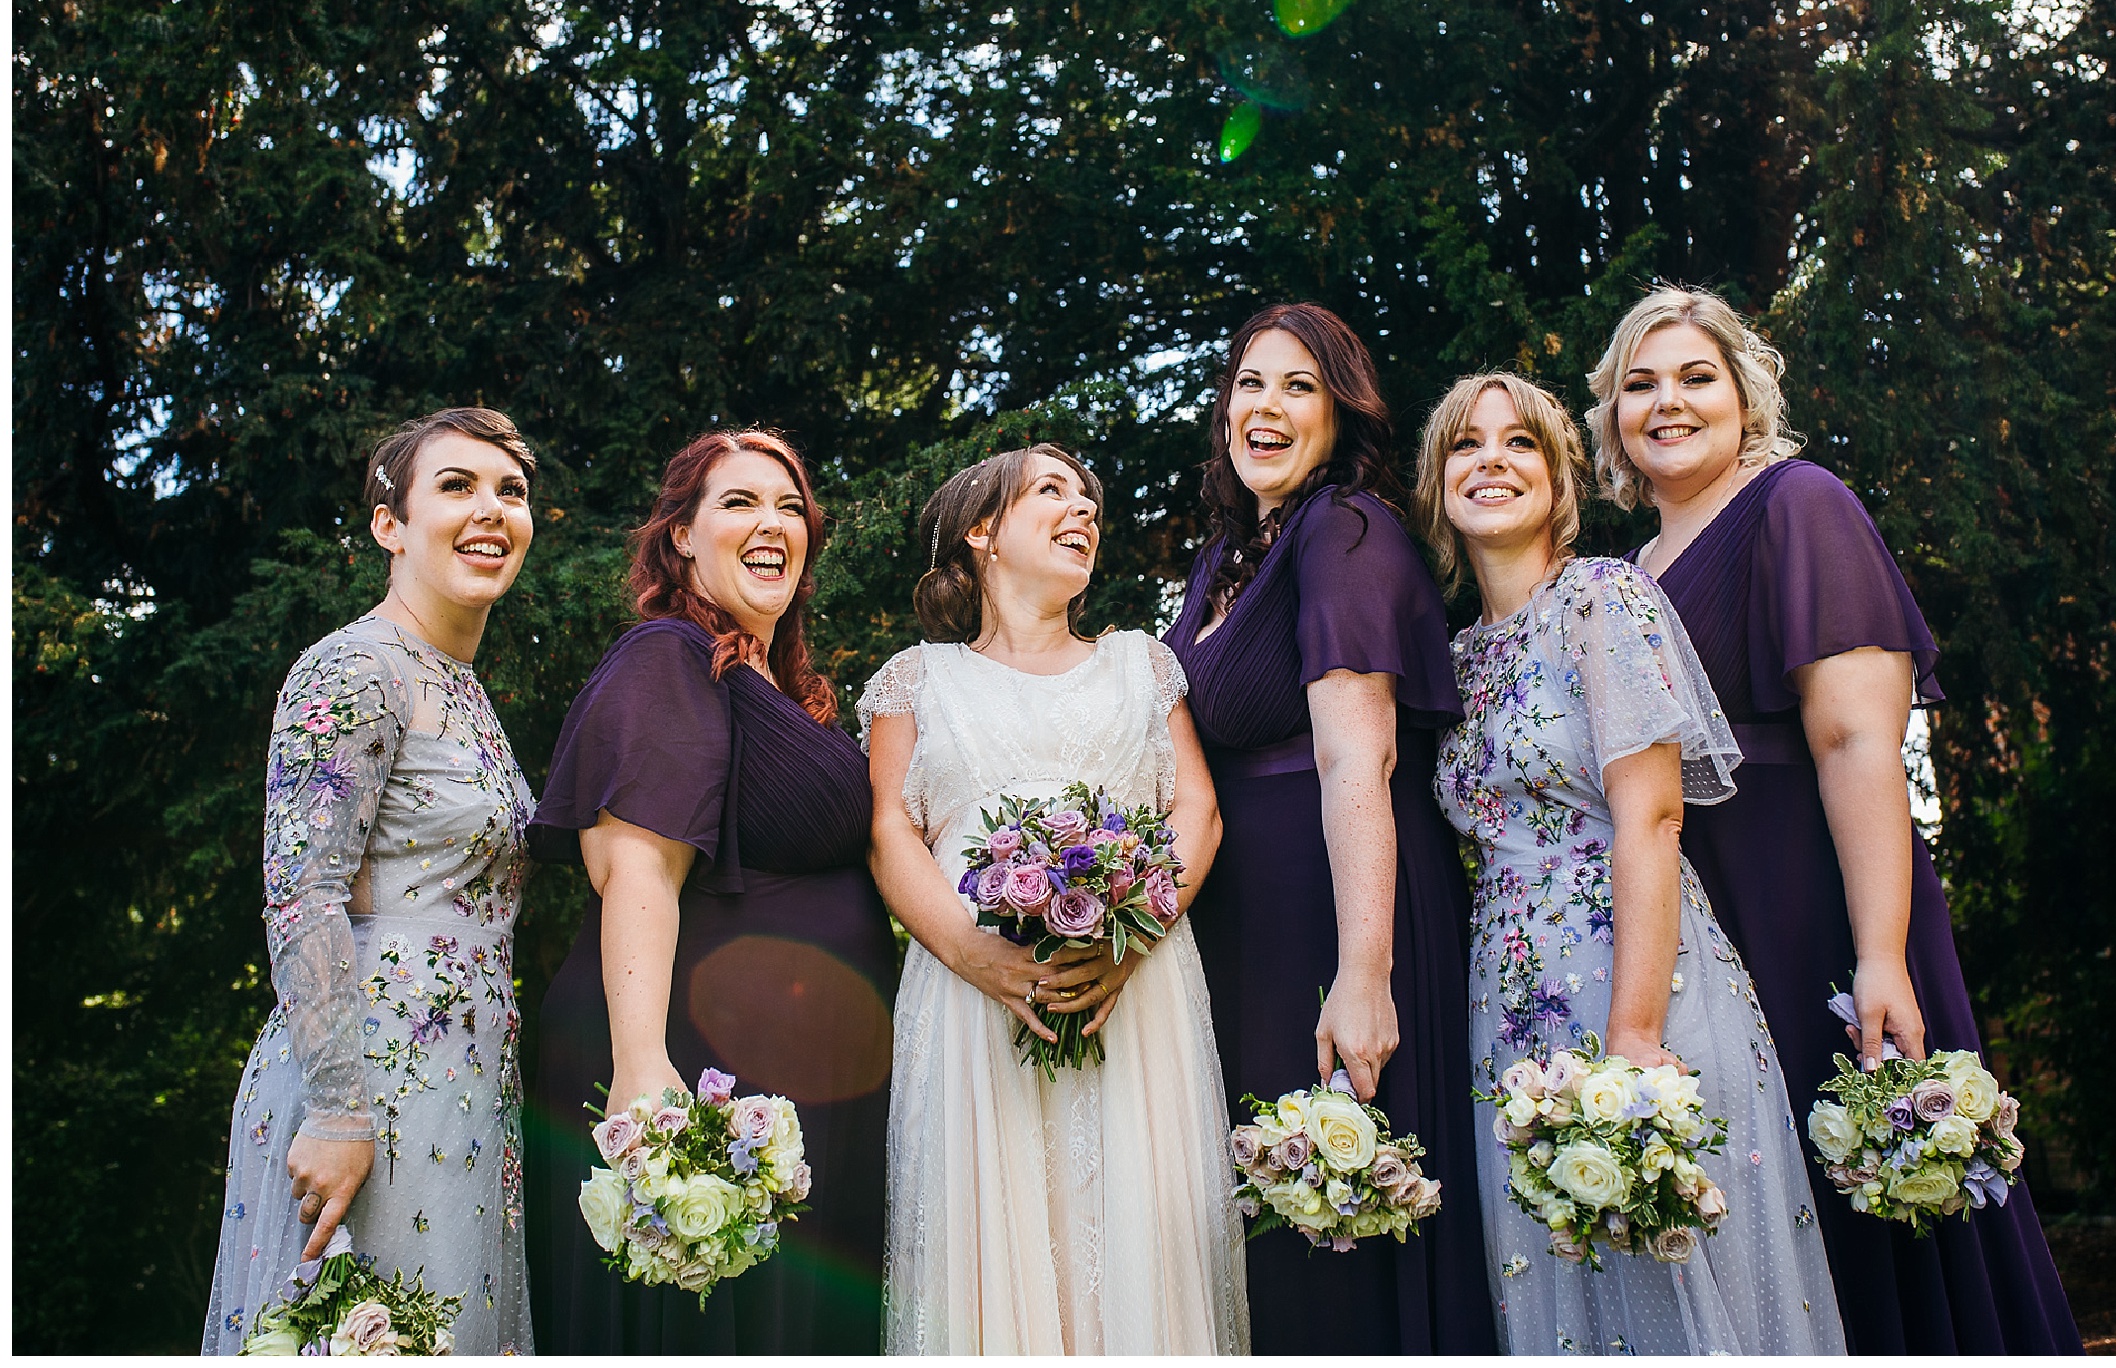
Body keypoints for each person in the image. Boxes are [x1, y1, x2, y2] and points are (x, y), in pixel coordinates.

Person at [1585, 283, 2082, 1353]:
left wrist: (1883, 954)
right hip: (1692, 930)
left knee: (1865, 1192)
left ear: (1746, 396)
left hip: (1810, 901)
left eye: (1694, 377)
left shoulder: (1800, 506)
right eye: (1639, 384)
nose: (1666, 402)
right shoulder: (1629, 575)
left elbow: (1856, 741)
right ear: (1612, 417)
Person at [1416, 372, 1846, 1354]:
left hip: (1634, 970)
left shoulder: (1602, 600)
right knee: (1556, 1270)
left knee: (1669, 1266)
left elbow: (1651, 818)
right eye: (1465, 446)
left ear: (1562, 479)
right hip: (1507, 997)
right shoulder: (1454, 658)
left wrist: (1635, 1038)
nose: (1491, 461)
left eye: (1520, 442)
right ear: (1437, 486)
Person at [860, 444, 1248, 1354]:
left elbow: (1196, 809)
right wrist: (977, 955)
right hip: (970, 1003)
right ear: (983, 533)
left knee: (1141, 1240)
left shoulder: (1141, 666)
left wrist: (1134, 938)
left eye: (1089, 499)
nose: (1082, 509)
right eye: (1052, 492)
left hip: (1132, 992)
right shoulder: (916, 679)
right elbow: (889, 834)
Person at [1163, 303, 1496, 1355]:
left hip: (1333, 906)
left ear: (1341, 414)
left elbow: (1363, 754)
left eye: (1298, 386)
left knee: (1334, 1208)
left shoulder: (1344, 529)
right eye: (1250, 384)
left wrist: (1363, 972)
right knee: (1268, 1205)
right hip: (1243, 917)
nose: (1266, 406)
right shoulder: (1224, 558)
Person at [523, 430, 896, 1354]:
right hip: (704, 1079)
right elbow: (637, 865)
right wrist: (644, 1072)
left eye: (788, 507)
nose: (772, 523)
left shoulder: (779, 683)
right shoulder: (667, 656)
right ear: (680, 537)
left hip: (794, 1089)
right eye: (738, 503)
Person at [202, 408, 541, 1355]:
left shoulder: (462, 686)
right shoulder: (354, 668)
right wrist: (339, 1107)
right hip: (366, 1082)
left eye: (510, 492)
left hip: (465, 1082)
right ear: (389, 525)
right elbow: (301, 891)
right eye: (457, 486)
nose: (492, 510)